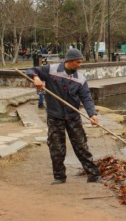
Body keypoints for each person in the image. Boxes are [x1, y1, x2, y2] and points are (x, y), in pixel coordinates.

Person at [26, 48, 102, 185]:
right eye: (78, 62)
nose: (80, 65)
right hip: (55, 116)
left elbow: (86, 98)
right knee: (56, 147)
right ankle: (59, 177)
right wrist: (36, 78)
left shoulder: (80, 79)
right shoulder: (51, 70)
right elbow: (30, 70)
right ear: (69, 61)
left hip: (73, 117)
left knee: (81, 146)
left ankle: (94, 175)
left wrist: (92, 114)